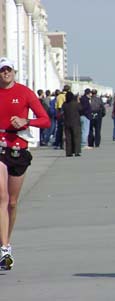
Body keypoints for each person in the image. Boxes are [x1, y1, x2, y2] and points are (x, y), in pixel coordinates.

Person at [0, 57, 50, 270]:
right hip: (0, 145)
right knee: (1, 197)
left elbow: (45, 120)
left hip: (18, 147)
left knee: (12, 202)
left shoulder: (24, 93)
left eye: (8, 70)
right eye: (2, 70)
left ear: (14, 71)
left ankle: (6, 240)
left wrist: (26, 122)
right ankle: (4, 249)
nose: (5, 73)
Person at [62, 91, 81, 157]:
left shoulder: (65, 104)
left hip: (67, 122)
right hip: (75, 123)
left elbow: (62, 111)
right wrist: (78, 101)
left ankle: (68, 152)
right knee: (76, 137)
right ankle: (76, 151)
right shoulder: (75, 104)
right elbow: (81, 109)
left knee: (68, 138)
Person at [54, 85, 70, 149]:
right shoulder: (69, 95)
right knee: (67, 129)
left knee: (59, 130)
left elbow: (56, 107)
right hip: (67, 114)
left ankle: (58, 143)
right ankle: (67, 143)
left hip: (60, 114)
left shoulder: (59, 96)